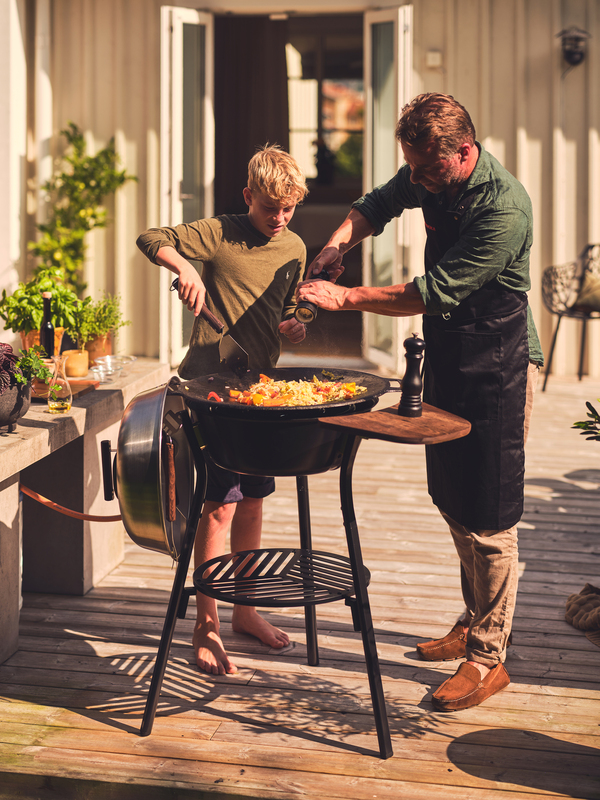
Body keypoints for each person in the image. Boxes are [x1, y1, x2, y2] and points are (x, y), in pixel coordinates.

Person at [297, 93, 544, 711]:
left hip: (499, 364)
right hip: (451, 357)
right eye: (412, 168)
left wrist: (343, 297)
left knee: (489, 510)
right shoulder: (425, 171)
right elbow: (375, 206)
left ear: (465, 152)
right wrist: (335, 249)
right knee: (453, 495)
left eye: (429, 170)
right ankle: (474, 617)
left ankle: (489, 656)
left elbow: (430, 292)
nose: (418, 180)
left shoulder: (505, 207)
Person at [137, 144, 308, 675]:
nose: (278, 220)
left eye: (288, 210)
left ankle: (245, 610)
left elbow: (291, 309)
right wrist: (186, 267)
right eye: (268, 209)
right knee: (219, 506)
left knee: (253, 502)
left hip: (259, 391)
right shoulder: (221, 231)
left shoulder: (295, 246)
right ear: (248, 196)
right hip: (209, 389)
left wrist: (299, 323)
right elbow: (151, 238)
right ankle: (204, 625)